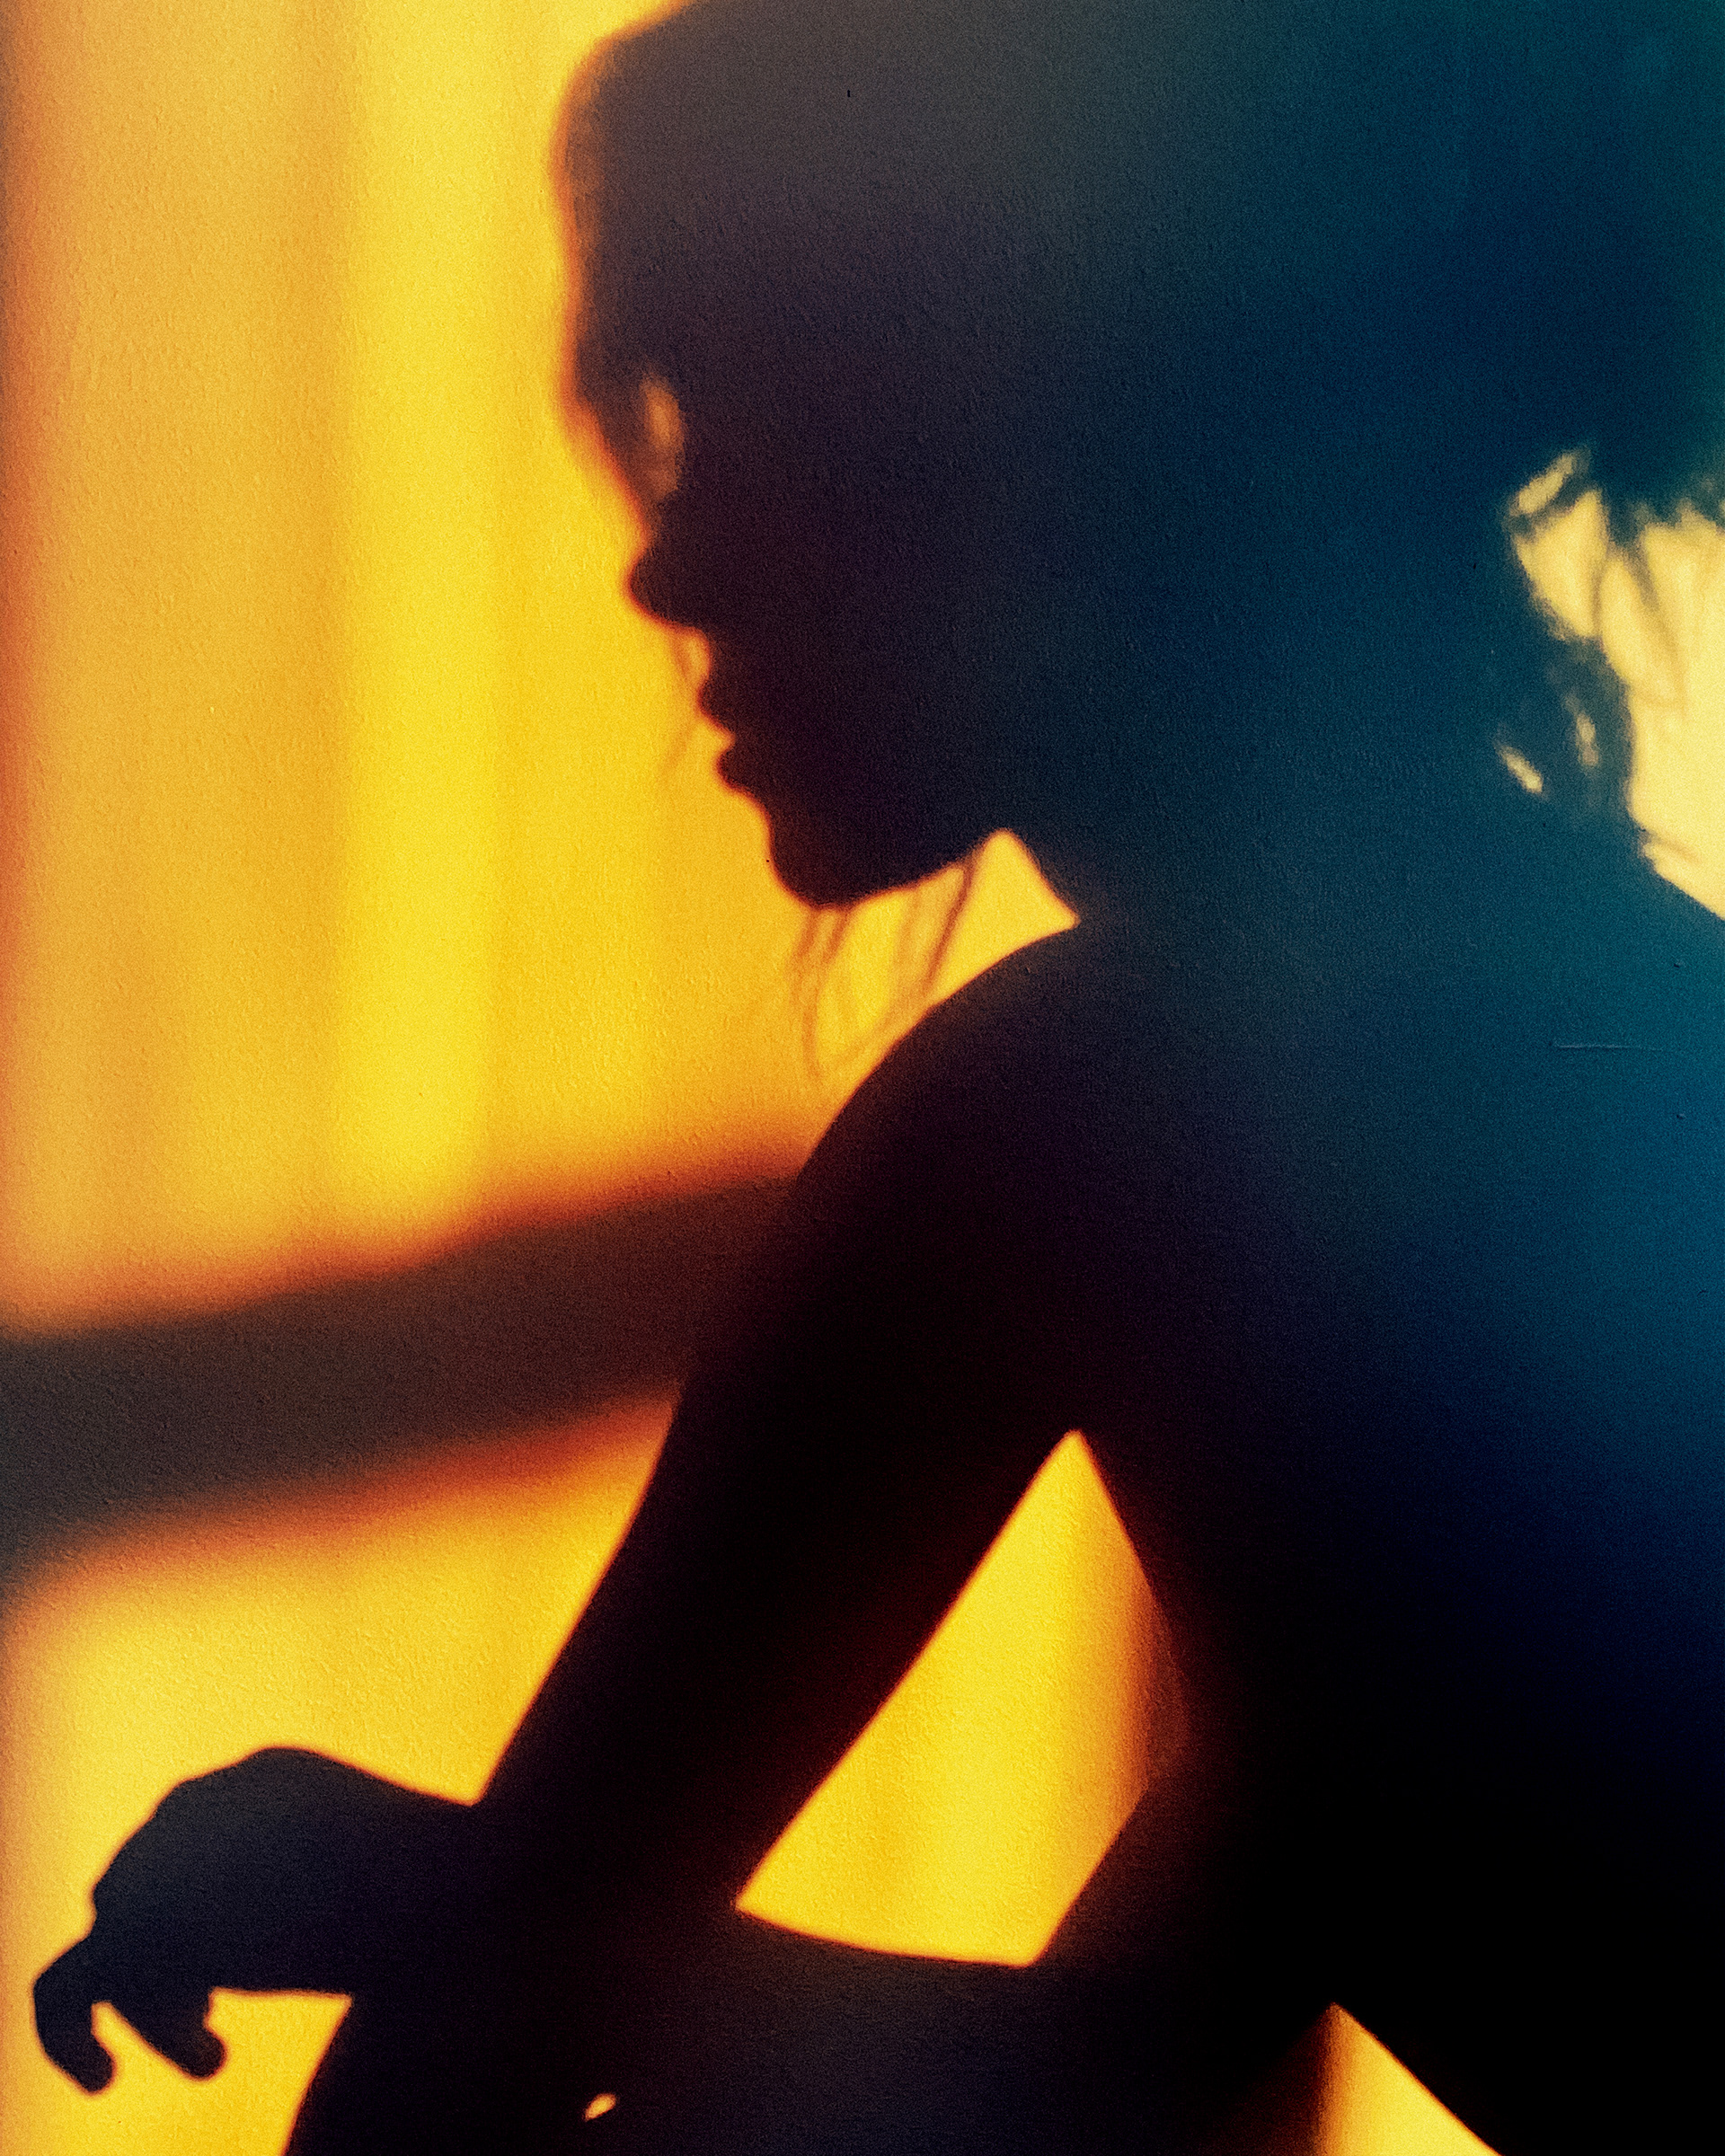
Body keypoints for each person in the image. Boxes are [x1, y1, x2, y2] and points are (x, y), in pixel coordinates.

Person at [35, 4, 1725, 2151]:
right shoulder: (1582, 1048)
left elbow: (448, 2096)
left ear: (1043, 454)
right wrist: (435, 1891)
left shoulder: (1096, 1130)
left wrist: (460, 1908)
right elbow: (1106, 2075)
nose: (665, 562)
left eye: (749, 437)